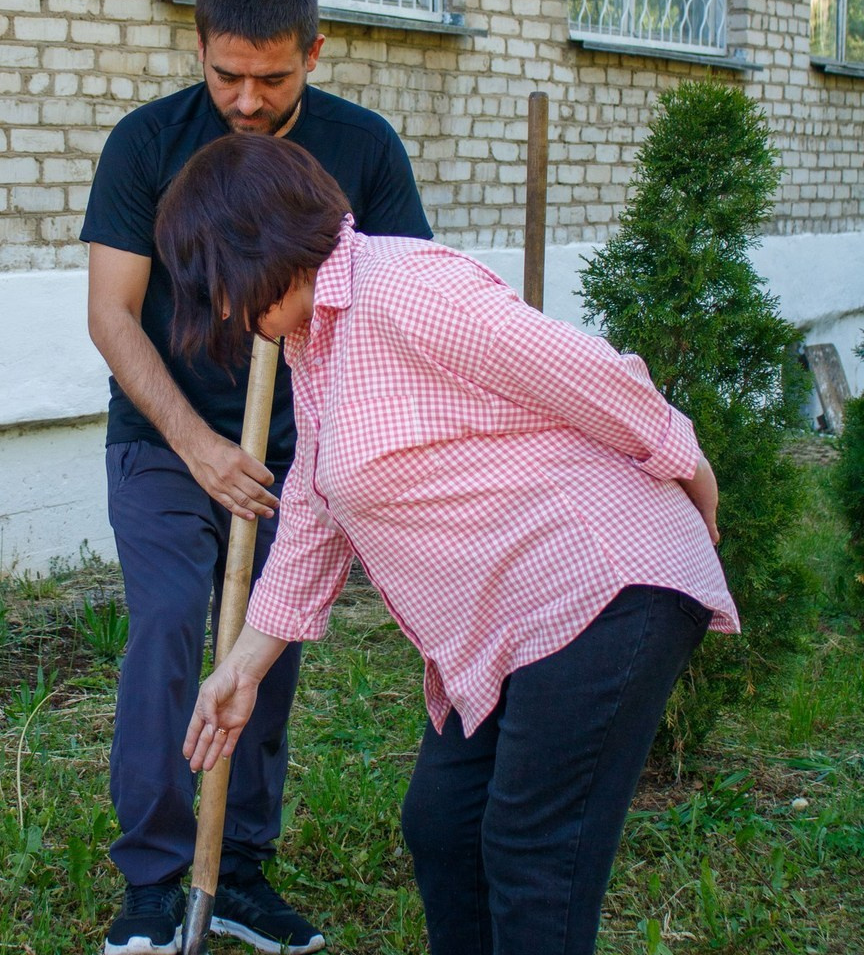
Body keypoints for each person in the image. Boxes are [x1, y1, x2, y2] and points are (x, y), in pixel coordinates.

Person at [157, 134, 741, 955]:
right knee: (443, 826)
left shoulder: (408, 289)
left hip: (604, 582)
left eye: (215, 285)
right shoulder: (314, 338)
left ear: (259, 243)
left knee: (531, 851)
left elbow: (591, 375)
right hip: (515, 619)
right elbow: (320, 510)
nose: (219, 310)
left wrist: (695, 476)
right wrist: (242, 669)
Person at [80, 0, 432, 955]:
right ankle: (153, 881)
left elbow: (401, 297)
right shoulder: (147, 143)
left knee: (266, 648)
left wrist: (332, 445)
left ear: (314, 53)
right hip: (164, 434)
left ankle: (233, 870)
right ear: (198, 49)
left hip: (299, 448)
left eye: (271, 79)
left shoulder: (360, 149)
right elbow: (111, 316)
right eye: (225, 73)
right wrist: (194, 446)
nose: (245, 98)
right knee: (162, 626)